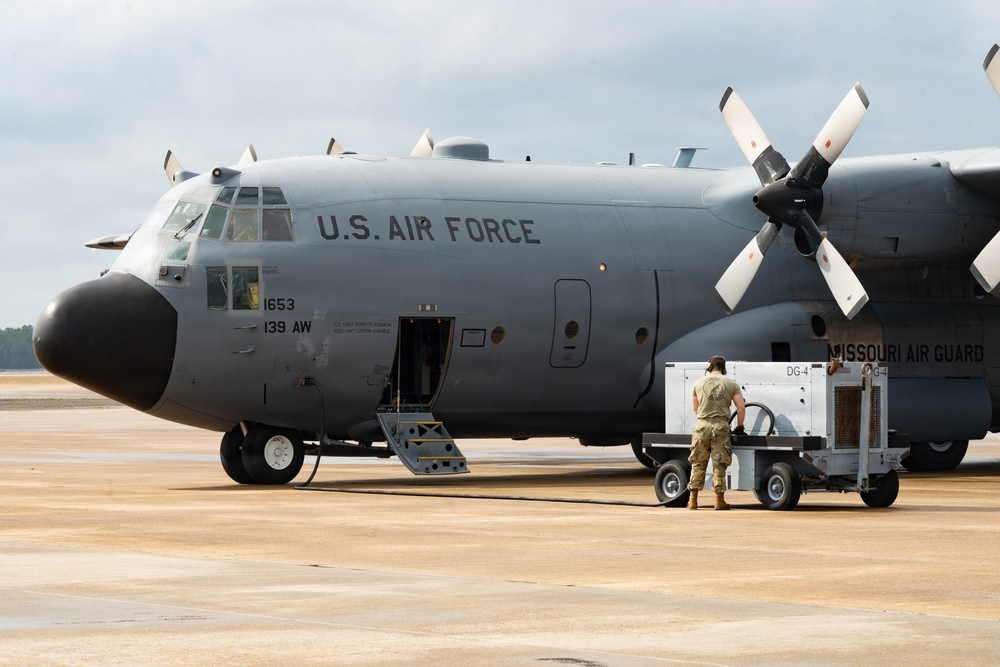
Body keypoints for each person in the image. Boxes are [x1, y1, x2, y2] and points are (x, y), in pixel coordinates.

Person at [688, 355, 745, 510]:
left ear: (709, 367)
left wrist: (705, 421)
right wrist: (739, 426)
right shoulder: (731, 383)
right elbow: (741, 407)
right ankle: (719, 501)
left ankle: (693, 500)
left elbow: (696, 409)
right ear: (724, 368)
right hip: (721, 426)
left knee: (698, 461)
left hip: (702, 425)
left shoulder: (698, 383)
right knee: (719, 463)